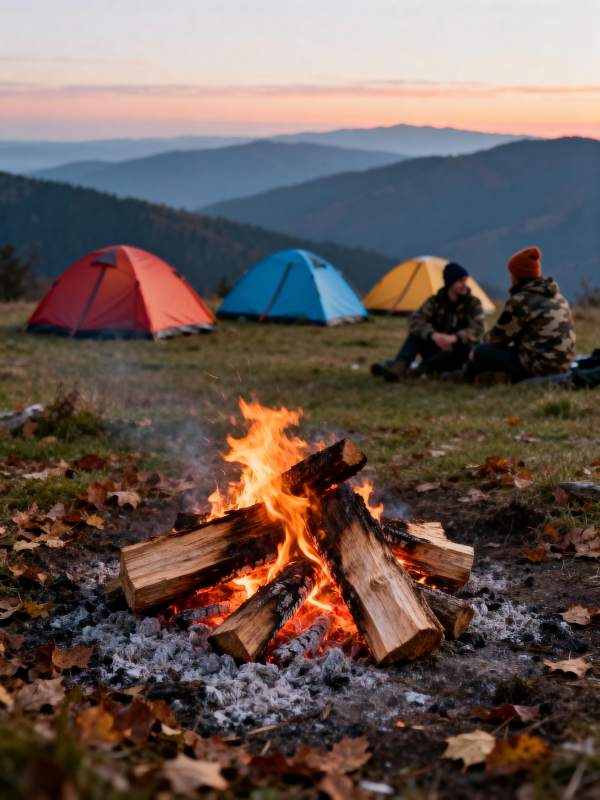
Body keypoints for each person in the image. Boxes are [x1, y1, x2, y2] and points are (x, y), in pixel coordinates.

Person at [467, 247, 576, 383]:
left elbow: (496, 338)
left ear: (516, 276)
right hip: (565, 364)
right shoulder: (558, 296)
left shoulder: (521, 300)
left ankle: (464, 376)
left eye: (511, 273)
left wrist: (477, 348)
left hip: (540, 365)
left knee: (482, 352)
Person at [371, 262, 485, 381]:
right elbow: (415, 320)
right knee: (415, 336)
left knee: (465, 347)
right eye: (460, 281)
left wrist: (455, 338)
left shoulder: (473, 303)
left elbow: (478, 328)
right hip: (437, 346)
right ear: (450, 282)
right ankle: (400, 367)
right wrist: (433, 335)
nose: (464, 285)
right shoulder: (435, 302)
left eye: (465, 281)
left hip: (459, 350)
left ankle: (412, 370)